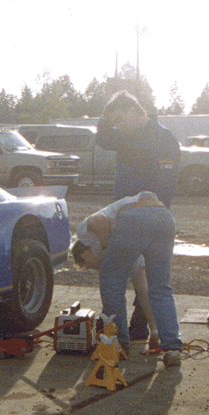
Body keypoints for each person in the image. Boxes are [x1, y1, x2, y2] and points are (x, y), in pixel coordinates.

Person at [95, 90, 181, 343]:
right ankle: (166, 341)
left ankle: (117, 341)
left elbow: (165, 181)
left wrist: (146, 209)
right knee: (156, 282)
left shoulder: (161, 138)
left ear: (134, 110)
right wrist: (108, 112)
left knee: (112, 275)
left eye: (120, 118)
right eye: (114, 122)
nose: (117, 126)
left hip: (139, 214)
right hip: (158, 217)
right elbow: (102, 139)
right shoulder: (127, 137)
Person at [71, 191, 184, 367]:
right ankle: (172, 348)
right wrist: (154, 331)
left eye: (87, 263)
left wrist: (106, 248)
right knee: (160, 288)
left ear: (84, 252)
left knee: (110, 279)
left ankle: (119, 344)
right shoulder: (130, 252)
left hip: (134, 216)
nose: (93, 267)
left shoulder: (85, 235)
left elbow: (96, 221)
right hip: (163, 217)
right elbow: (143, 290)